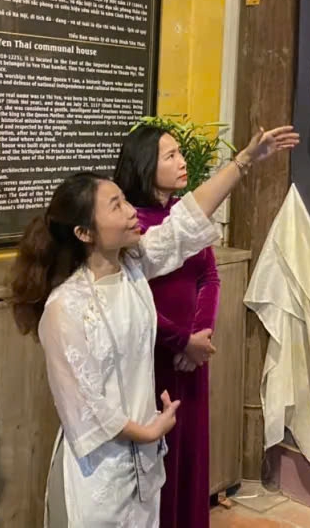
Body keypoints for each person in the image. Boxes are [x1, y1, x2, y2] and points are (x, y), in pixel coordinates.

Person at [11, 125, 299, 528]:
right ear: (84, 233)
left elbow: (186, 222)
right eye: (116, 206)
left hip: (144, 459)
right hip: (98, 472)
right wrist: (146, 432)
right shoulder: (64, 307)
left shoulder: (132, 268)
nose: (131, 211)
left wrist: (244, 160)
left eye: (126, 200)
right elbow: (84, 408)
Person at [113, 125, 219, 528]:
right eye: (170, 155)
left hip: (193, 357)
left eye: (180, 153)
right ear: (144, 164)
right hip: (153, 356)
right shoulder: (129, 223)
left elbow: (209, 277)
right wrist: (180, 340)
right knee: (158, 458)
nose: (182, 161)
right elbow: (131, 298)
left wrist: (201, 335)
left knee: (190, 453)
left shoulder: (185, 216)